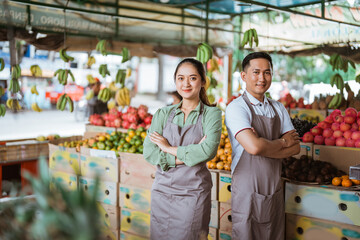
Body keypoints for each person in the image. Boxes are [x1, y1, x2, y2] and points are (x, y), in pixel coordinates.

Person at [143, 58, 222, 240]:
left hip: (193, 194)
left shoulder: (212, 114)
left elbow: (207, 152)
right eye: (180, 78)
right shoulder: (163, 114)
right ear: (175, 81)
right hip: (161, 193)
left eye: (193, 78)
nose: (186, 83)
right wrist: (188, 154)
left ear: (203, 82)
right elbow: (149, 152)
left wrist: (168, 148)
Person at [225, 52, 300, 240]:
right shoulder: (237, 108)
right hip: (247, 191)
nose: (262, 78)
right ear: (244, 76)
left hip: (274, 189)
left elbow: (296, 148)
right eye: (256, 72)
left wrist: (263, 145)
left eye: (267, 73)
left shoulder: (278, 108)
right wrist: (282, 143)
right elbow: (254, 148)